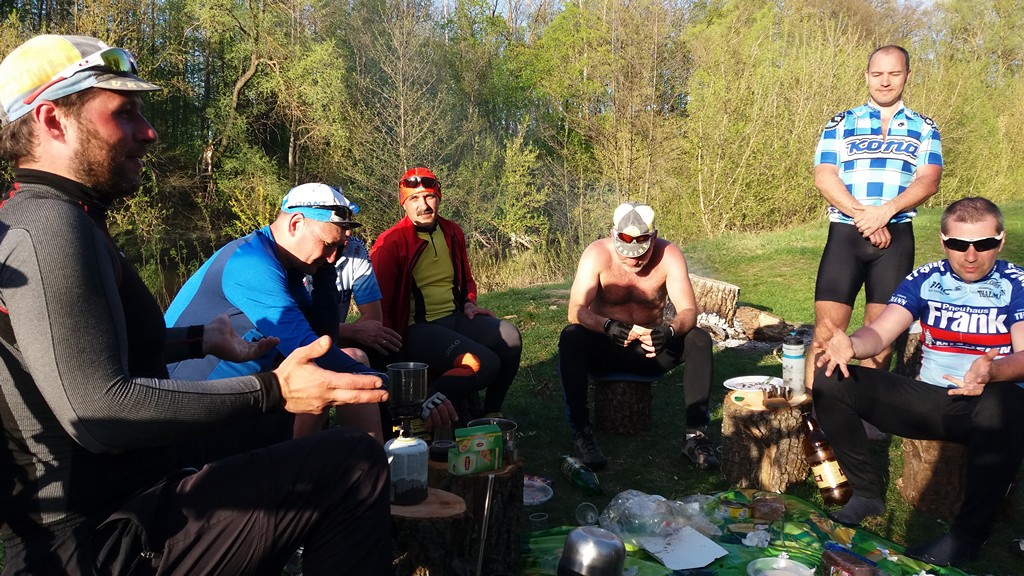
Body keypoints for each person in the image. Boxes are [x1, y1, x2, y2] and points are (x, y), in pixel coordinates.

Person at [0, 34, 390, 575]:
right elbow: (98, 413)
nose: (149, 131)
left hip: (140, 498)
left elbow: (75, 346)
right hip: (100, 543)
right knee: (354, 464)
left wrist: (196, 339)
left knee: (298, 439)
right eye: (124, 112)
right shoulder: (50, 228)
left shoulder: (63, 218)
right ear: (52, 120)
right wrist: (271, 389)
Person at [814, 197, 1024, 567]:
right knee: (831, 378)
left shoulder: (1015, 283)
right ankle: (866, 493)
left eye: (983, 244)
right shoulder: (927, 278)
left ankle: (967, 536)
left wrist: (992, 372)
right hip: (931, 400)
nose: (970, 256)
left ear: (1000, 241)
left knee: (1003, 401)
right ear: (943, 241)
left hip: (988, 403)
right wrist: (852, 345)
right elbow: (881, 332)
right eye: (958, 244)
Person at [165, 182, 412, 444]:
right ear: (295, 224)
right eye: (328, 244)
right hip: (187, 415)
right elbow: (308, 347)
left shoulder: (289, 265)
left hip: (240, 399)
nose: (333, 257)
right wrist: (398, 388)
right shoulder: (251, 263)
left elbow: (322, 337)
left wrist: (326, 272)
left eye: (338, 248)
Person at [811, 45, 943, 383]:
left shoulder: (925, 127)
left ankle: (867, 411)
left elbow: (929, 180)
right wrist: (866, 218)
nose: (885, 81)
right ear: (866, 76)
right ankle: (814, 409)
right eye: (877, 74)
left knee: (880, 337)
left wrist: (885, 212)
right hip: (845, 235)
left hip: (895, 239)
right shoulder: (841, 122)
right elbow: (824, 176)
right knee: (826, 331)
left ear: (907, 76)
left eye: (894, 74)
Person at [558, 201, 717, 471]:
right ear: (613, 235)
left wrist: (669, 331)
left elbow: (689, 311)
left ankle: (695, 436)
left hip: (650, 351)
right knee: (571, 336)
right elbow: (575, 311)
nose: (633, 260)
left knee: (699, 339)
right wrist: (607, 325)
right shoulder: (596, 254)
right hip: (606, 348)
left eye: (641, 253)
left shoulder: (669, 255)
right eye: (626, 254)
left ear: (653, 237)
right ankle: (582, 433)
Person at [370, 166, 522, 424]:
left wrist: (469, 303)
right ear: (404, 203)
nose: (423, 206)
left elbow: (466, 279)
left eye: (429, 196)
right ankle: (420, 401)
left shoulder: (452, 232)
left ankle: (491, 412)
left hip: (455, 318)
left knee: (510, 337)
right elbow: (379, 303)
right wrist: (392, 352)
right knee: (483, 363)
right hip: (419, 329)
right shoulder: (390, 243)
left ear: (439, 198)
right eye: (414, 199)